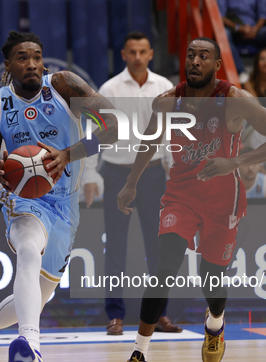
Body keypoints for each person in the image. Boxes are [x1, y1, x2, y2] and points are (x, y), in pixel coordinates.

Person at [115, 37, 266, 362]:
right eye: (191, 55)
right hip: (180, 196)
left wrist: (236, 161)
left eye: (204, 56)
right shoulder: (167, 102)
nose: (195, 61)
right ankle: (139, 354)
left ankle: (215, 323)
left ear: (217, 65)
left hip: (222, 200)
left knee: (210, 280)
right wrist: (132, 182)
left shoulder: (235, 101)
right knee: (164, 267)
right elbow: (151, 140)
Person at [0, 31, 118, 362]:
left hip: (65, 203)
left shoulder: (64, 85)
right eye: (23, 58)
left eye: (37, 56)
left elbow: (114, 127)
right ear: (8, 65)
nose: (32, 64)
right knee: (27, 249)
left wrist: (70, 153)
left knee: (41, 295)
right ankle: (32, 348)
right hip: (24, 199)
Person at [81, 31, 181, 335]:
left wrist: (174, 171)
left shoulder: (164, 87)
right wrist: (89, 173)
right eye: (132, 52)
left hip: (153, 174)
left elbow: (173, 132)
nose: (137, 57)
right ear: (123, 55)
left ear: (151, 54)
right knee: (115, 247)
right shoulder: (109, 88)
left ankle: (158, 315)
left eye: (142, 51)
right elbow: (92, 131)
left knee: (159, 248)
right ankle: (115, 315)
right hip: (115, 173)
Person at [218, 0, 266, 82]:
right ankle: (241, 72)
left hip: (254, 30)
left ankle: (263, 72)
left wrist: (255, 29)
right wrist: (239, 28)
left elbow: (262, 16)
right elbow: (221, 16)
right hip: (234, 30)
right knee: (224, 34)